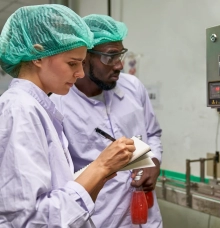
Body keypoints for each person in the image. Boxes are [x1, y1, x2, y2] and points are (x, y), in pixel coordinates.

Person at [0, 5, 135, 227]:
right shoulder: (20, 110)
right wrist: (99, 166)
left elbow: (55, 191)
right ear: (38, 55)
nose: (80, 73)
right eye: (72, 63)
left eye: (82, 63)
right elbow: (29, 220)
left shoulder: (38, 107)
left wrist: (101, 174)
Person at [50, 14, 163, 227]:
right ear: (84, 57)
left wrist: (154, 161)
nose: (119, 65)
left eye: (120, 55)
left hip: (146, 217)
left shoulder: (133, 88)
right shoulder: (58, 107)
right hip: (100, 218)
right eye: (110, 57)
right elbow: (59, 178)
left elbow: (153, 133)